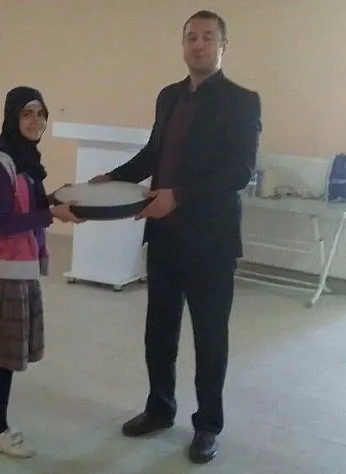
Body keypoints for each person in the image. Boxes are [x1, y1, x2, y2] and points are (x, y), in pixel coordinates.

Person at [90, 10, 262, 464]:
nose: (198, 45)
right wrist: (113, 178)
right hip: (164, 235)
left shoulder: (242, 101)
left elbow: (239, 172)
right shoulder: (168, 97)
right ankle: (159, 408)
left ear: (223, 45)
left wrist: (179, 195)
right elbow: (154, 154)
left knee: (209, 338)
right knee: (159, 331)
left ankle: (207, 425)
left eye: (207, 37)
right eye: (191, 37)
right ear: (182, 44)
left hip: (211, 241)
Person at [0, 86, 81, 458]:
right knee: (4, 358)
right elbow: (4, 223)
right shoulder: (1, 164)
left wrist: (55, 201)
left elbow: (26, 206)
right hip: (5, 272)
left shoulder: (24, 161)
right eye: (27, 114)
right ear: (12, 118)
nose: (36, 121)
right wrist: (52, 214)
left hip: (18, 267)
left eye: (41, 113)